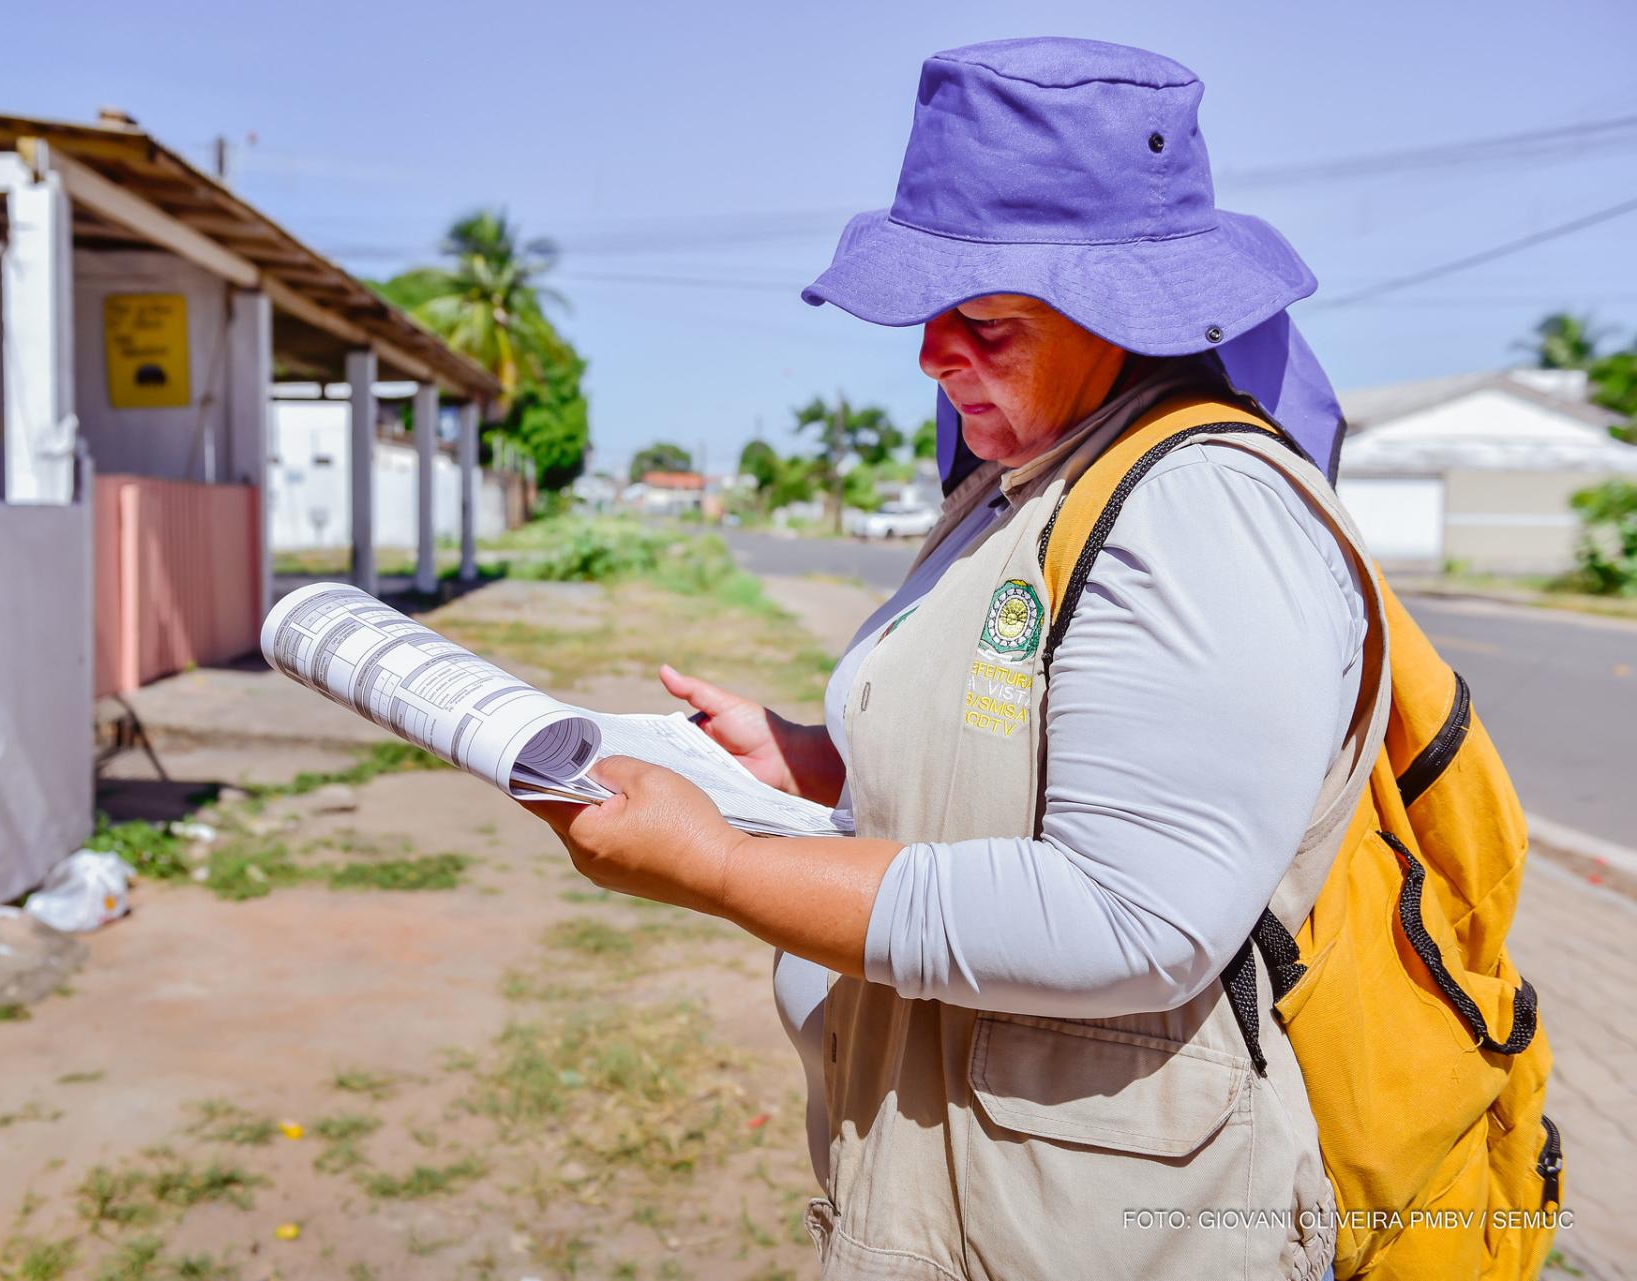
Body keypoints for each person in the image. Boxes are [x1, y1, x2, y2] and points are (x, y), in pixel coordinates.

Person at [525, 37, 1381, 1281]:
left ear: (1118, 314)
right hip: (973, 1193)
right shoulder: (1029, 478)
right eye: (930, 314)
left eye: (982, 319)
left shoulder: (1204, 507)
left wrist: (716, 862)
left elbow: (1134, 917)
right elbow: (1028, 750)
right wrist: (818, 764)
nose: (932, 356)